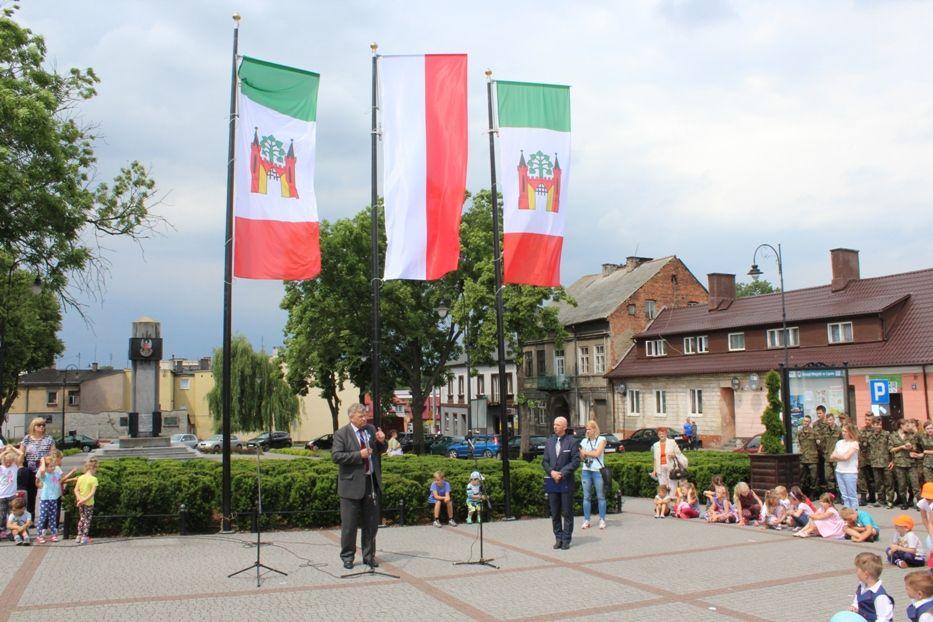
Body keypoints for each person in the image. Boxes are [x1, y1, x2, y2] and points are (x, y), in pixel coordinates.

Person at [331, 403, 387, 570]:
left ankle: (369, 556)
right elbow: (336, 456)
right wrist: (358, 455)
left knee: (371, 524)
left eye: (365, 416)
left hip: (371, 483)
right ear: (351, 417)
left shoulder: (370, 429)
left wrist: (381, 442)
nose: (365, 419)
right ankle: (347, 557)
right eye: (361, 416)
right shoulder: (342, 434)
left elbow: (379, 450)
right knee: (349, 525)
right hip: (350, 486)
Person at [542, 416, 579, 550]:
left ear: (564, 427)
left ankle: (566, 539)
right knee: (555, 511)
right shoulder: (549, 442)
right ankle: (558, 537)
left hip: (566, 481)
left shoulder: (572, 442)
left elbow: (575, 461)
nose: (555, 427)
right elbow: (545, 461)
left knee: (567, 511)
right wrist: (551, 472)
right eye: (554, 424)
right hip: (552, 481)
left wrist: (562, 473)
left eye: (558, 425)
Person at [18, 417, 55, 517]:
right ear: (33, 427)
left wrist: (49, 464)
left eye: (43, 425)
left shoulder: (48, 439)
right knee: (31, 495)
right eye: (39, 425)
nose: (41, 427)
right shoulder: (27, 438)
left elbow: (53, 454)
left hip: (45, 471)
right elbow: (21, 453)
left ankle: (46, 519)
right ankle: (31, 517)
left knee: (45, 494)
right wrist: (20, 465)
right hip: (30, 470)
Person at [35, 449, 73, 544]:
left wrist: (71, 475)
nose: (52, 468)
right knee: (43, 517)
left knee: (53, 517)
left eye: (53, 466)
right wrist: (43, 461)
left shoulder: (56, 471)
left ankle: (53, 534)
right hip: (45, 498)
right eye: (51, 467)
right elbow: (42, 470)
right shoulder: (44, 474)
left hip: (54, 498)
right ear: (46, 467)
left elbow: (61, 480)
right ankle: (39, 535)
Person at [847, 552, 893, 622]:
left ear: (866, 574)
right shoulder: (862, 586)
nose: (856, 572)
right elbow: (856, 602)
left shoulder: (880, 596)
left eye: (857, 569)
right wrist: (854, 607)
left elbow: (883, 619)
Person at [579, 419, 607, 530]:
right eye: (586, 429)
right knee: (586, 497)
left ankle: (602, 519)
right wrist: (584, 453)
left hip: (597, 471)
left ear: (595, 429)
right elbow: (581, 457)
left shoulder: (602, 439)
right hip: (586, 470)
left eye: (589, 429)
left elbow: (597, 453)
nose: (587, 431)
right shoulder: (584, 441)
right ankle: (586, 520)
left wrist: (585, 452)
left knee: (600, 496)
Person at [891, 419, 920, 510]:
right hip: (899, 464)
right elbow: (891, 449)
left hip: (910, 463)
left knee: (915, 484)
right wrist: (901, 447)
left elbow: (916, 448)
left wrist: (911, 447)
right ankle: (904, 502)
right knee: (902, 484)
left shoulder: (911, 436)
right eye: (907, 425)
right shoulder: (893, 436)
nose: (909, 427)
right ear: (901, 426)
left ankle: (919, 503)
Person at [867, 416, 894, 509]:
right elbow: (867, 449)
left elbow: (891, 448)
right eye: (876, 425)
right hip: (875, 462)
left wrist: (892, 460)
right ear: (873, 425)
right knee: (878, 483)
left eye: (880, 424)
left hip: (886, 462)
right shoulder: (869, 436)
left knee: (889, 482)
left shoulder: (886, 434)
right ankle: (881, 500)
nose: (878, 426)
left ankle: (890, 500)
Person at [832, 423, 861, 509]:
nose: (843, 433)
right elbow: (832, 456)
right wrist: (840, 457)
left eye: (845, 431)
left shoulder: (854, 443)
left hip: (850, 472)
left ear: (850, 432)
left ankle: (855, 514)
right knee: (844, 496)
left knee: (852, 495)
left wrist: (838, 457)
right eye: (843, 431)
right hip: (839, 471)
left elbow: (846, 457)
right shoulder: (839, 443)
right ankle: (847, 514)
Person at [70, 457, 98, 545]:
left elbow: (75, 490)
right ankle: (84, 537)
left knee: (82, 518)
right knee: (87, 520)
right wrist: (84, 500)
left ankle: (78, 535)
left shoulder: (80, 478)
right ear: (94, 468)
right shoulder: (94, 479)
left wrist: (80, 499)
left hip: (80, 502)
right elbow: (92, 493)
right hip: (89, 503)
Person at [650, 426, 687, 492]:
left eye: (663, 433)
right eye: (660, 434)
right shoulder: (655, 445)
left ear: (666, 434)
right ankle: (665, 500)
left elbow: (679, 453)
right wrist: (654, 470)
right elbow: (655, 459)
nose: (662, 435)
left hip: (671, 467)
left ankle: (672, 499)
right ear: (658, 435)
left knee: (672, 486)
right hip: (660, 468)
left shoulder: (672, 442)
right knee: (662, 487)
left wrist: (674, 455)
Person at [814, 406, 841, 493]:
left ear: (833, 420)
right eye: (828, 420)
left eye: (831, 420)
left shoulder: (839, 430)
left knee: (837, 476)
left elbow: (842, 443)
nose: (829, 422)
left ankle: (839, 494)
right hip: (827, 457)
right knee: (828, 476)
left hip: (836, 457)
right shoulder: (825, 431)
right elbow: (822, 442)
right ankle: (832, 493)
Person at [0, 445, 23, 540]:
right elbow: (1, 457)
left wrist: (12, 448)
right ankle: (2, 530)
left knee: (12, 515)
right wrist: (5, 452)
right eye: (6, 462)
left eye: (9, 462)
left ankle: (13, 531)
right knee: (1, 516)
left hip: (12, 495)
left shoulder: (15, 467)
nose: (8, 463)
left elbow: (21, 453)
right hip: (1, 496)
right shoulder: (1, 468)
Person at [797, 415, 820, 494]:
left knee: (813, 477)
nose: (805, 423)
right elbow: (799, 444)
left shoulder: (814, 433)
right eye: (804, 421)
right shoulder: (800, 433)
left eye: (807, 421)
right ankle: (803, 492)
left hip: (812, 458)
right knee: (802, 477)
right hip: (803, 458)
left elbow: (819, 445)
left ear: (810, 422)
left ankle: (813, 493)